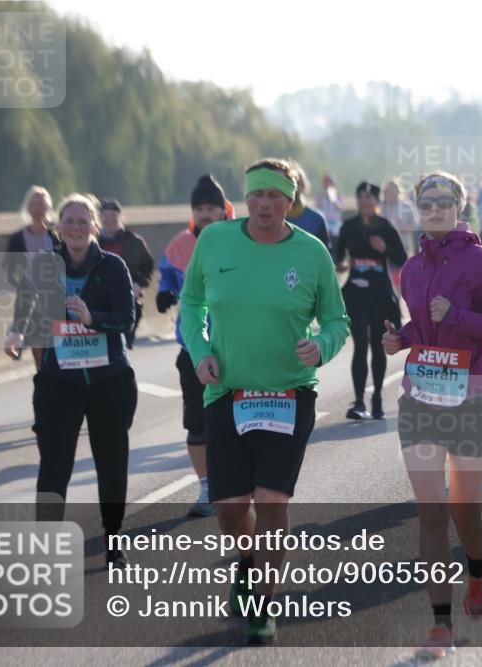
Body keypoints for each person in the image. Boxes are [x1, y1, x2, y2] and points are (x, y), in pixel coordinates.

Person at [178, 158, 349, 645]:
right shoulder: (215, 241)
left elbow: (339, 321)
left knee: (272, 499)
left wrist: (323, 345)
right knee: (232, 508)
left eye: (276, 195)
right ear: (246, 198)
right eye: (257, 195)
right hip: (227, 392)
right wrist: (201, 350)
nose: (265, 204)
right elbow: (192, 304)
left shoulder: (311, 252)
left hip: (289, 393)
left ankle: (262, 604)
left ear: (291, 201)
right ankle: (249, 561)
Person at [382, 171, 482, 659]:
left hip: (473, 395)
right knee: (431, 511)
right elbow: (422, 323)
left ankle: (478, 569)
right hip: (421, 396)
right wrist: (400, 338)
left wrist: (458, 316)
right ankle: (440, 625)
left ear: (460, 208)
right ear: (418, 210)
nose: (436, 209)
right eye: (428, 203)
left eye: (445, 202)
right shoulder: (413, 267)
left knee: (466, 515)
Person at [4, 194, 137, 564]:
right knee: (54, 466)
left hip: (108, 381)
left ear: (95, 227)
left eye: (83, 221)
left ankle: (113, 538)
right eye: (69, 221)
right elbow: (25, 307)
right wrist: (15, 334)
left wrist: (92, 318)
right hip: (58, 383)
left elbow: (126, 320)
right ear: (57, 227)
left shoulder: (112, 267)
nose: (76, 228)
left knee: (111, 464)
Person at [157, 175, 234, 518]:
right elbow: (168, 279)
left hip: (237, 347)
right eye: (199, 208)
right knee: (197, 424)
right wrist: (163, 293)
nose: (205, 214)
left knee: (235, 422)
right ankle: (206, 488)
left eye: (211, 208)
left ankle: (236, 486)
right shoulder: (178, 246)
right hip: (192, 350)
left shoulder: (243, 240)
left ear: (223, 210)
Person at [335, 182, 407, 420]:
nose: (364, 201)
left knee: (377, 345)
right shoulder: (349, 226)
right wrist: (340, 263)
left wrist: (385, 249)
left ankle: (376, 397)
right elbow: (337, 253)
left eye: (368, 197)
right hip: (355, 290)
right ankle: (358, 401)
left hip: (379, 291)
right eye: (360, 196)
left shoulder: (385, 227)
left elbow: (402, 258)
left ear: (377, 201)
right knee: (359, 344)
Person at [3, 185, 62, 369]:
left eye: (42, 204)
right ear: (28, 208)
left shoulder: (57, 236)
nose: (38, 208)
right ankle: (43, 375)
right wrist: (21, 281)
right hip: (30, 298)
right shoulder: (17, 238)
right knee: (39, 348)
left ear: (49, 208)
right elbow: (8, 267)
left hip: (54, 298)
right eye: (34, 204)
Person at [97, 199, 154, 349]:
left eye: (113, 215)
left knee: (124, 344)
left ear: (121, 217)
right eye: (105, 215)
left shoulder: (134, 241)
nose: (110, 220)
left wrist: (139, 284)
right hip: (100, 302)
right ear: (99, 218)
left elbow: (148, 266)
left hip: (129, 299)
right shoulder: (93, 243)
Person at [284, 162, 330, 248]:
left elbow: (327, 255)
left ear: (304, 186)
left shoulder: (317, 219)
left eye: (298, 183)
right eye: (290, 183)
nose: (295, 188)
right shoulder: (275, 219)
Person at [381, 178, 419, 256]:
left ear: (398, 191)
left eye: (392, 191)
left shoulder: (407, 206)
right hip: (386, 248)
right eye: (388, 192)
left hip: (404, 246)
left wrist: (404, 228)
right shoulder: (382, 208)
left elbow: (415, 225)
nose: (390, 194)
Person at [314, 174, 343, 246]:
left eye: (329, 182)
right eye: (325, 182)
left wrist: (333, 199)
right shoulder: (319, 195)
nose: (327, 184)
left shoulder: (337, 195)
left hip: (335, 224)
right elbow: (317, 208)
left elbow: (340, 208)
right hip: (324, 223)